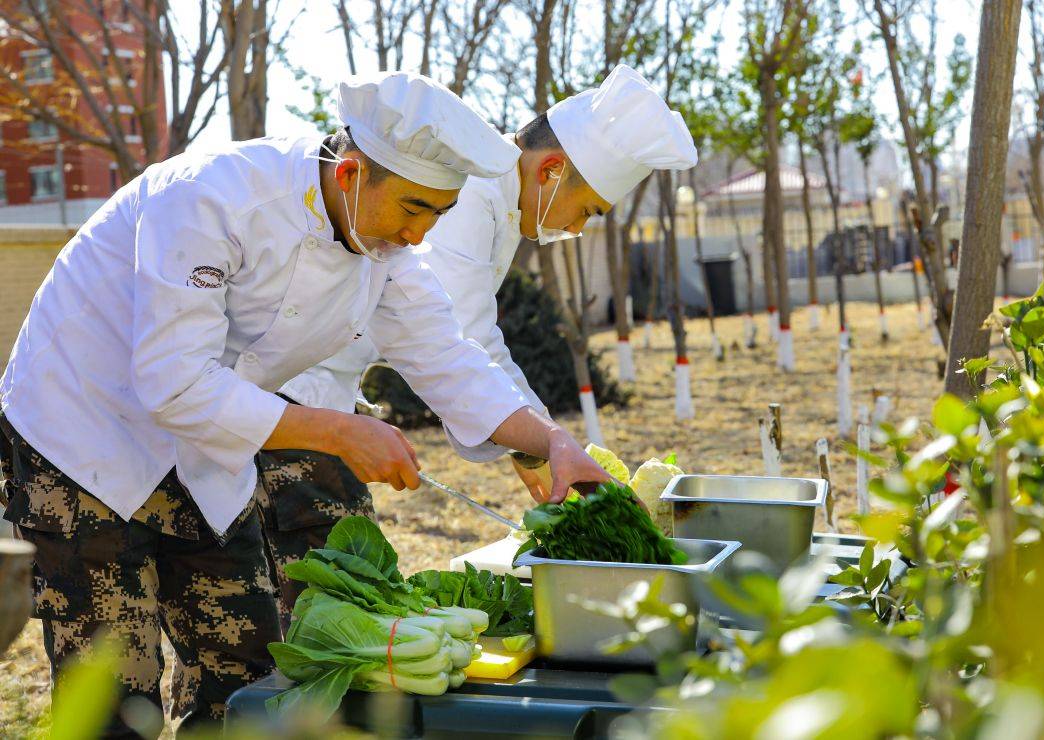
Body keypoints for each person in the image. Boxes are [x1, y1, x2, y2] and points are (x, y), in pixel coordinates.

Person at [0, 70, 608, 737]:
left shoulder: (387, 250)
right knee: (115, 697)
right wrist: (341, 434)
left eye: (435, 214)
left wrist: (550, 441)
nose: (417, 235)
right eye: (412, 209)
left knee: (250, 671)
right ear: (350, 174)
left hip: (206, 445)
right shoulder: (212, 195)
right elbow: (173, 380)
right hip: (83, 433)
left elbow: (449, 357)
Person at [259, 64, 698, 616]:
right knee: (315, 602)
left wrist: (543, 444)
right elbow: (462, 343)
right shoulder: (466, 196)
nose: (580, 228)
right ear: (552, 170)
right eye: (587, 210)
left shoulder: (499, 205)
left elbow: (461, 344)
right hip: (294, 397)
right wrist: (543, 443)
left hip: (323, 394)